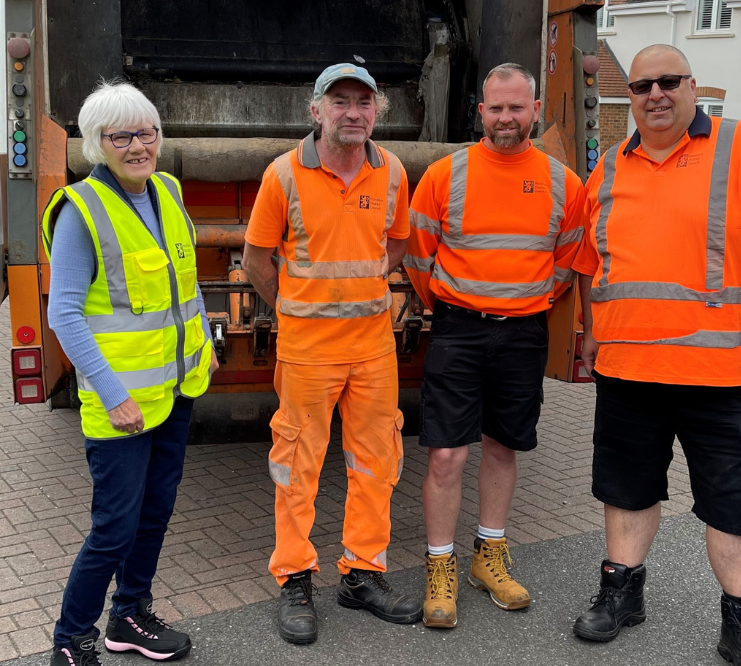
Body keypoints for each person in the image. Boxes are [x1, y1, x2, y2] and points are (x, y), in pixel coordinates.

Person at [570, 45, 741, 665]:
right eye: (640, 86)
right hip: (628, 370)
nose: (654, 94)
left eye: (668, 82)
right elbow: (588, 262)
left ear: (691, 86)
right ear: (627, 96)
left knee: (736, 501)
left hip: (724, 371)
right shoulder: (607, 168)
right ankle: (621, 593)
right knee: (626, 491)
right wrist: (591, 328)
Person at [243, 63, 421, 645]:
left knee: (376, 462)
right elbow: (255, 261)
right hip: (307, 352)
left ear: (377, 112)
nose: (353, 112)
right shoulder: (284, 174)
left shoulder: (391, 170)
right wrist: (295, 306)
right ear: (314, 110)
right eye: (339, 101)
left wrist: (361, 293)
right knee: (298, 467)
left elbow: (396, 244)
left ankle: (362, 574)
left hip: (372, 349)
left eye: (363, 102)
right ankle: (295, 577)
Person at [42, 81, 218, 665]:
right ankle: (71, 640)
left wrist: (206, 344)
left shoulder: (165, 191)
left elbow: (181, 289)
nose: (139, 145)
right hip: (121, 405)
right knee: (113, 528)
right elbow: (63, 314)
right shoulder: (81, 211)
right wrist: (115, 396)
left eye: (148, 132)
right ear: (98, 143)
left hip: (173, 391)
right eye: (122, 136)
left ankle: (129, 617)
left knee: (155, 514)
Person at [404, 62, 586, 629]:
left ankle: (489, 555)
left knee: (504, 446)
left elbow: (568, 262)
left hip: (522, 332)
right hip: (458, 328)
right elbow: (417, 257)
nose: (506, 118)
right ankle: (440, 566)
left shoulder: (564, 183)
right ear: (480, 112)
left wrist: (521, 301)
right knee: (447, 453)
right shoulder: (443, 176)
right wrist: (455, 304)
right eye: (496, 108)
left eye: (516, 107)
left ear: (535, 111)